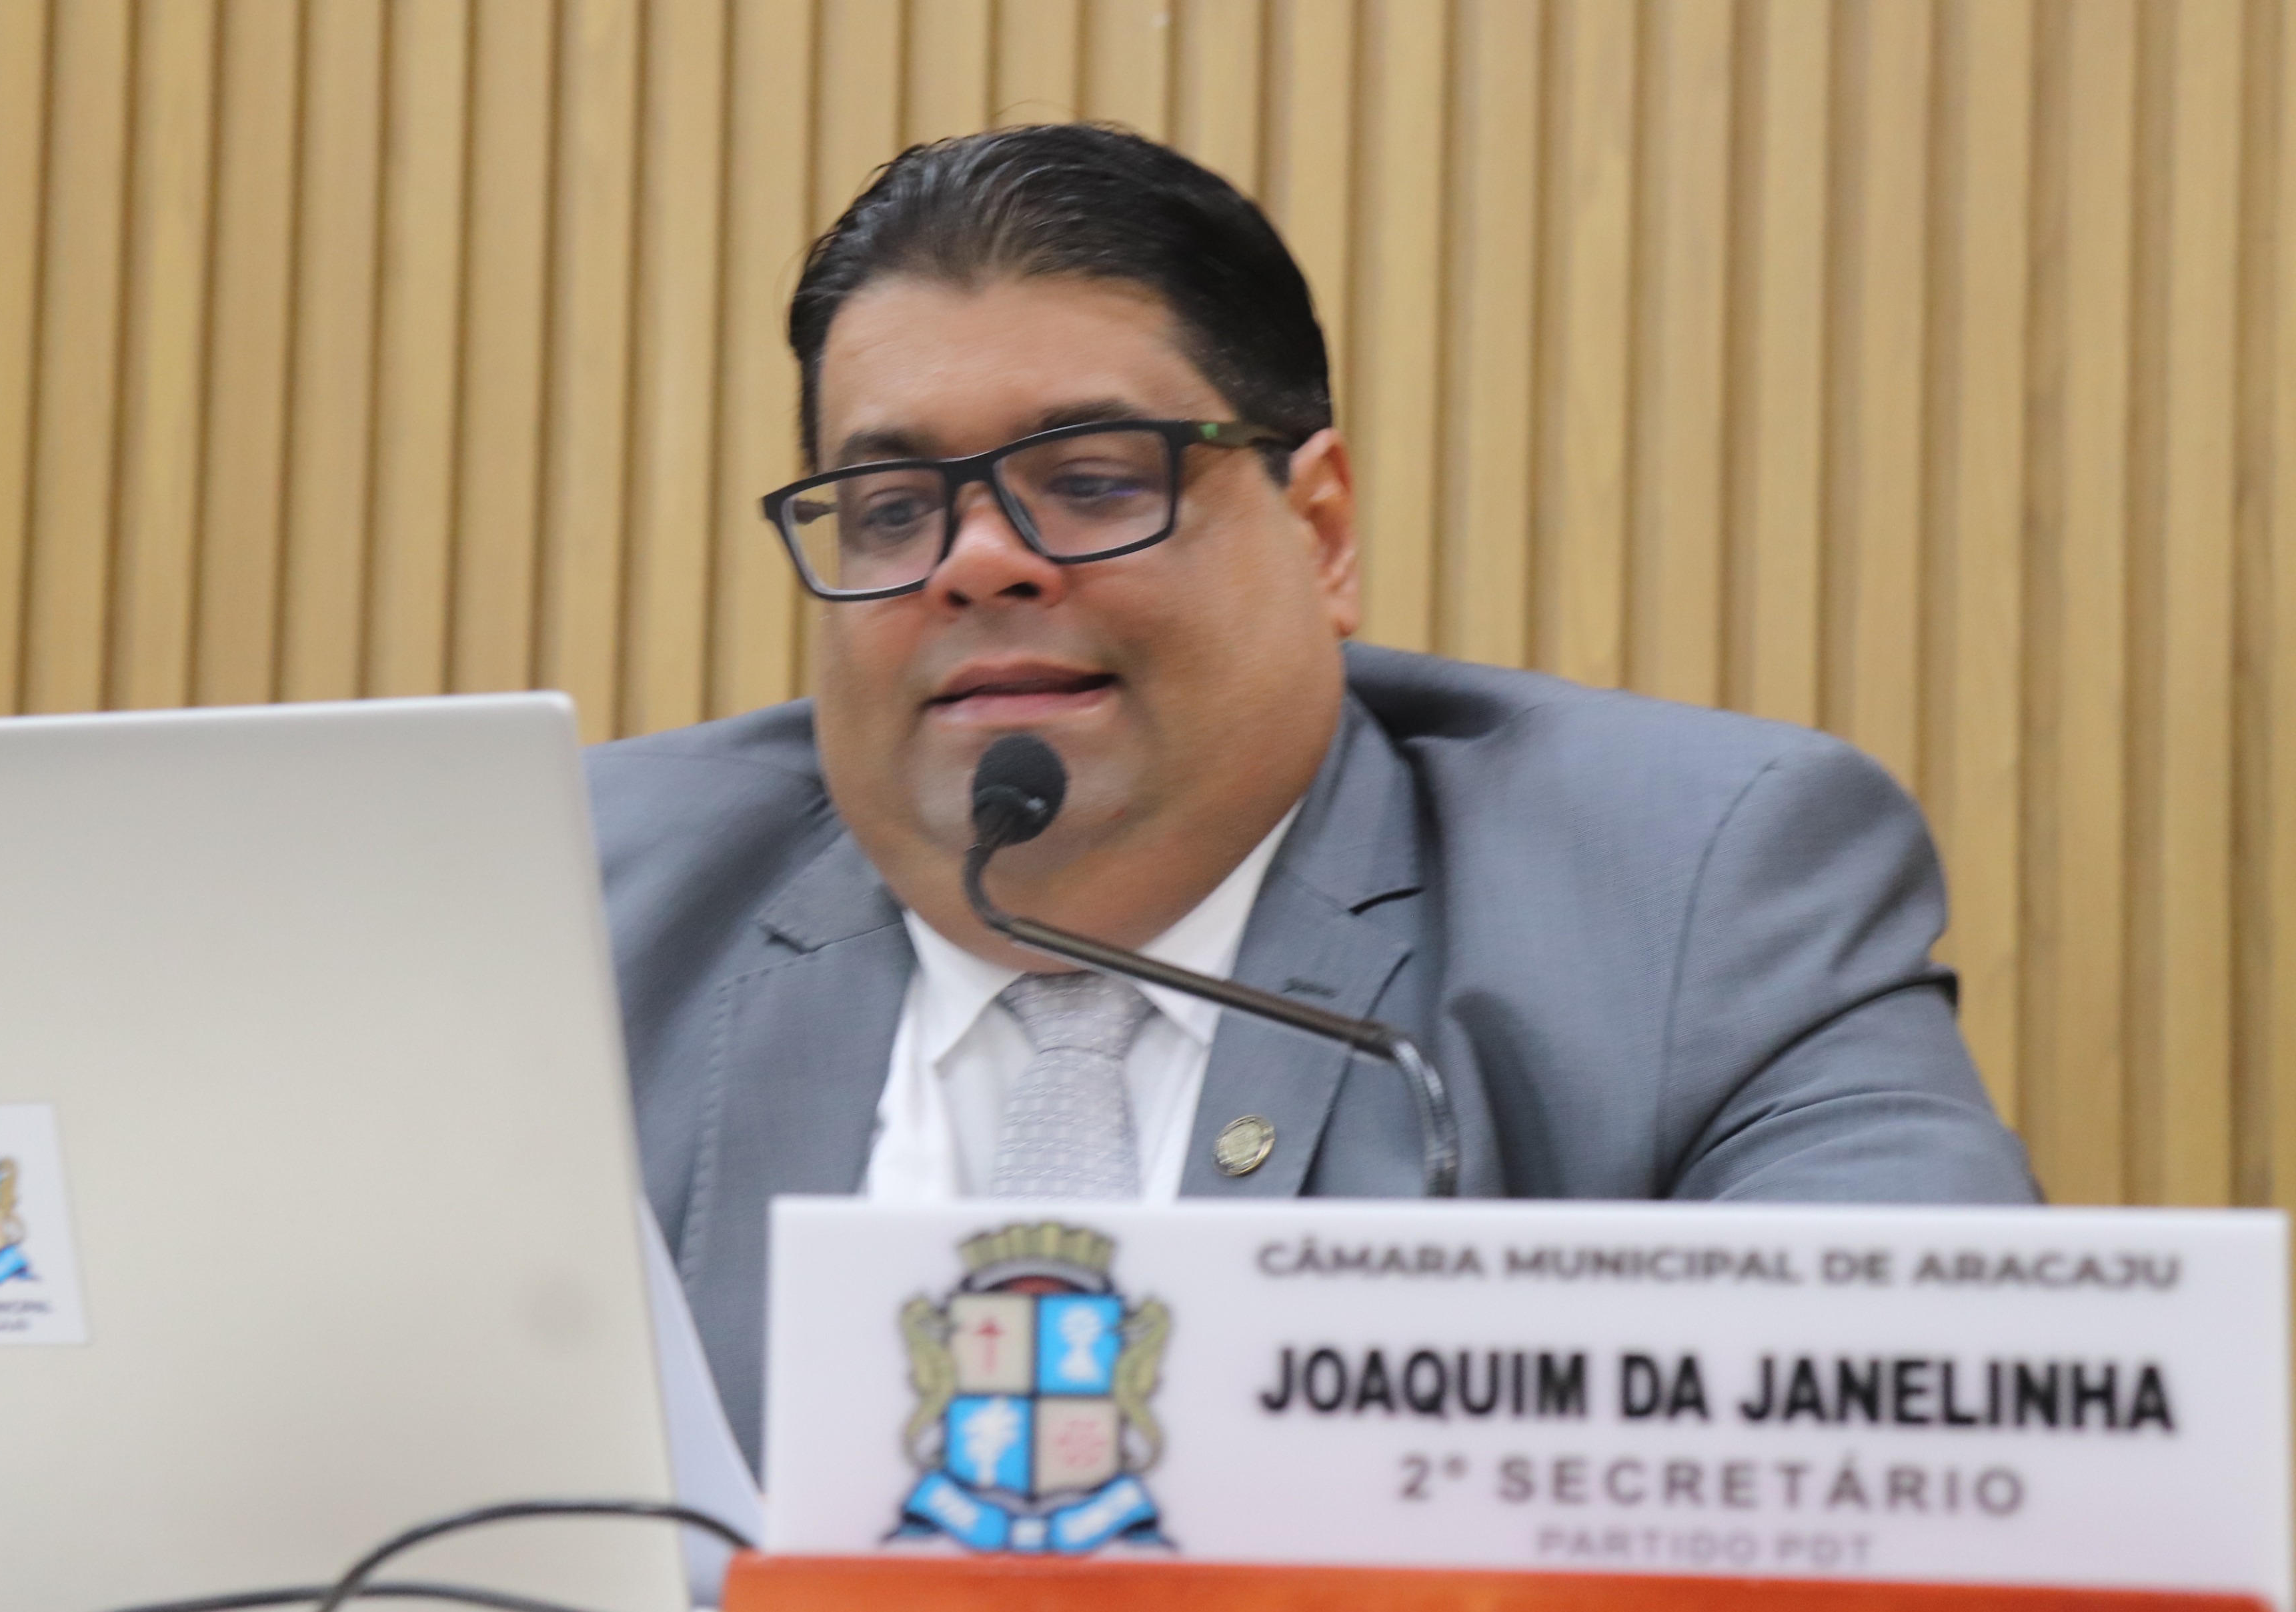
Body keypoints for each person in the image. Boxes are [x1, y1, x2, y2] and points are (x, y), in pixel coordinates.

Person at [589, 124, 2037, 1468]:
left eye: (1091, 481)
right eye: (895, 510)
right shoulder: (572, 913)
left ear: (1321, 531)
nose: (976, 561)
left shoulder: (1686, 897)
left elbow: (1926, 1431)